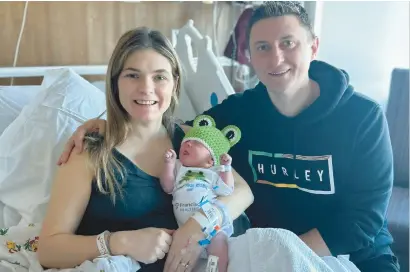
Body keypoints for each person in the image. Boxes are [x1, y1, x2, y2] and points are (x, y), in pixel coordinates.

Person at [58, 2, 400, 272]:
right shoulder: (238, 114)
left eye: (288, 43)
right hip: (261, 250)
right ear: (249, 56)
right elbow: (175, 129)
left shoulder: (361, 118)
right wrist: (109, 124)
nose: (276, 57)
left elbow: (362, 221)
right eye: (263, 47)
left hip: (354, 254)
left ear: (313, 46)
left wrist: (284, 254)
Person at [37, 26, 254, 272]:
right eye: (132, 75)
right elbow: (49, 250)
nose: (146, 88)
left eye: (160, 76)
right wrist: (120, 242)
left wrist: (198, 228)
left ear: (174, 84)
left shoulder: (190, 138)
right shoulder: (90, 151)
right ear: (115, 83)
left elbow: (244, 192)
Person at [160, 114, 242, 272]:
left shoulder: (212, 173)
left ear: (211, 160)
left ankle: (217, 269)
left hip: (211, 226)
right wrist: (168, 165)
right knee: (183, 257)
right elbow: (168, 187)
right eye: (186, 142)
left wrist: (226, 168)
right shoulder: (179, 167)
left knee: (218, 246)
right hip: (184, 228)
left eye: (196, 143)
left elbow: (227, 189)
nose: (188, 144)